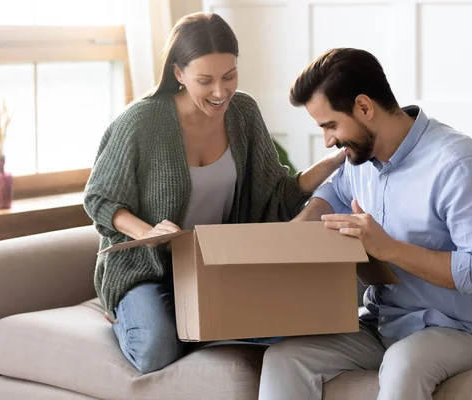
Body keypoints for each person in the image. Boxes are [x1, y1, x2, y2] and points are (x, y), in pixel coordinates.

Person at [83, 13, 343, 375]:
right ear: (178, 74)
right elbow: (99, 199)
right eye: (205, 80)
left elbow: (278, 192)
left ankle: (198, 325)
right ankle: (149, 317)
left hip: (214, 270)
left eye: (229, 76)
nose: (220, 92)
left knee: (300, 326)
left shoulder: (244, 113)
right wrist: (148, 233)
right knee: (154, 351)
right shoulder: (141, 122)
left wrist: (335, 160)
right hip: (147, 270)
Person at [257, 48, 472, 400]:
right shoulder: (359, 160)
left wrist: (387, 248)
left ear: (364, 107)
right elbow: (330, 196)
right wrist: (292, 235)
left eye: (331, 125)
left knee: (402, 363)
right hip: (383, 323)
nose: (328, 140)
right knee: (285, 359)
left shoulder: (459, 164)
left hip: (462, 332)